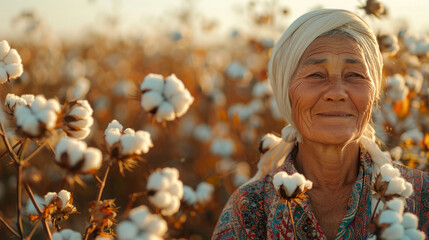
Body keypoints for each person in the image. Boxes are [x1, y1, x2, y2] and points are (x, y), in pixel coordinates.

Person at [212, 9, 429, 239]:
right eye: (316, 75)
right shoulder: (250, 209)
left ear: (373, 90)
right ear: (286, 91)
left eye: (354, 75)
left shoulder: (421, 197)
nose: (336, 93)